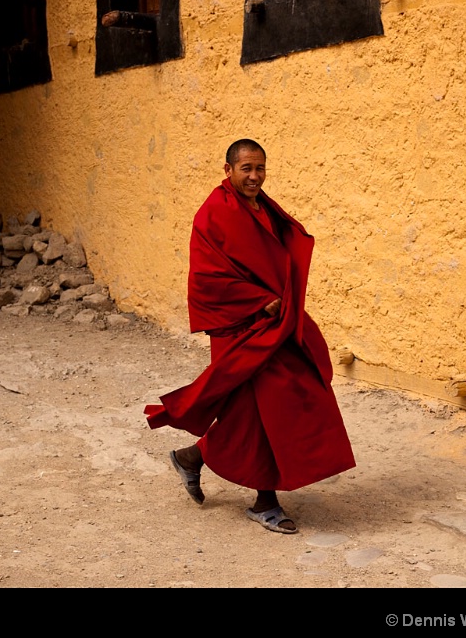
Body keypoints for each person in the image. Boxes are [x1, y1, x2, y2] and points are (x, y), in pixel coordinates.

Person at [144, 139, 355, 534]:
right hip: (242, 324)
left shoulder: (262, 208)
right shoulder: (215, 213)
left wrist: (281, 301)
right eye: (246, 169)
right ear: (228, 170)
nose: (254, 176)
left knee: (271, 404)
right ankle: (265, 501)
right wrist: (259, 300)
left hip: (277, 321)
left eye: (260, 168)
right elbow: (207, 279)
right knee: (264, 409)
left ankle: (193, 456)